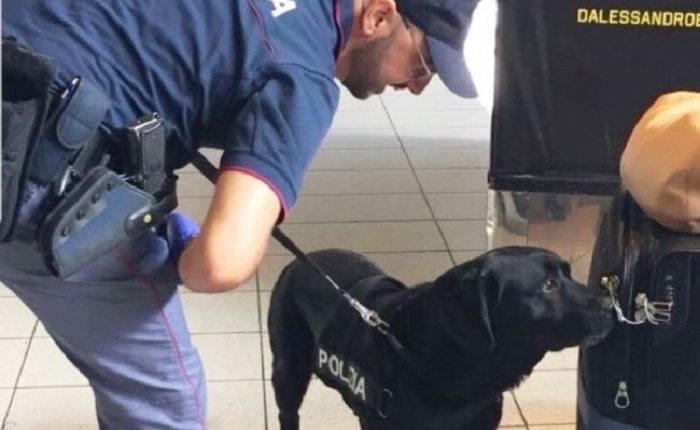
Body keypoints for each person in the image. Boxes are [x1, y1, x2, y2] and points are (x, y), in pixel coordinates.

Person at [1, 0, 479, 427]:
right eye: (424, 63)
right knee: (165, 402)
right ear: (378, 15)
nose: (417, 87)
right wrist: (181, 253)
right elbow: (217, 265)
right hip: (32, 165)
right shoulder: (303, 75)